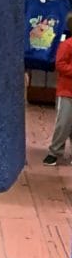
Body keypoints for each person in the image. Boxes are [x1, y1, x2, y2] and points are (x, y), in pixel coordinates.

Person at [44, 22, 72, 164]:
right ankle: (54, 152)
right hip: (66, 91)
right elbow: (60, 65)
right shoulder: (67, 45)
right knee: (63, 123)